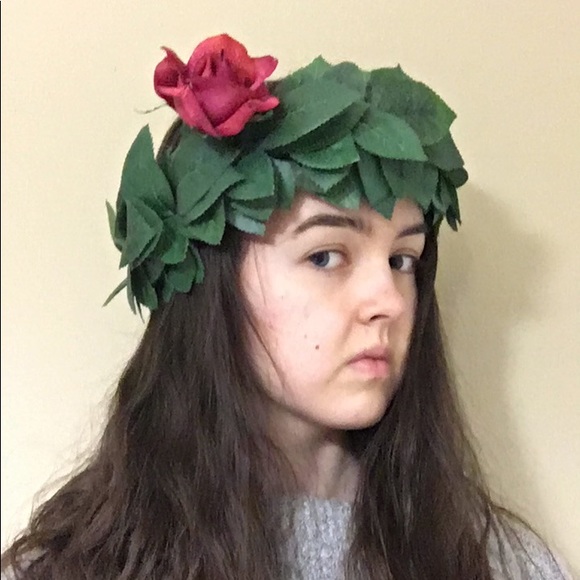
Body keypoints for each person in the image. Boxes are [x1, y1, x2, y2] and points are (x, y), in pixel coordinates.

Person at [1, 34, 571, 580]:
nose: (389, 301)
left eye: (403, 260)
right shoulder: (71, 567)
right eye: (326, 256)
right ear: (214, 285)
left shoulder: (499, 564)